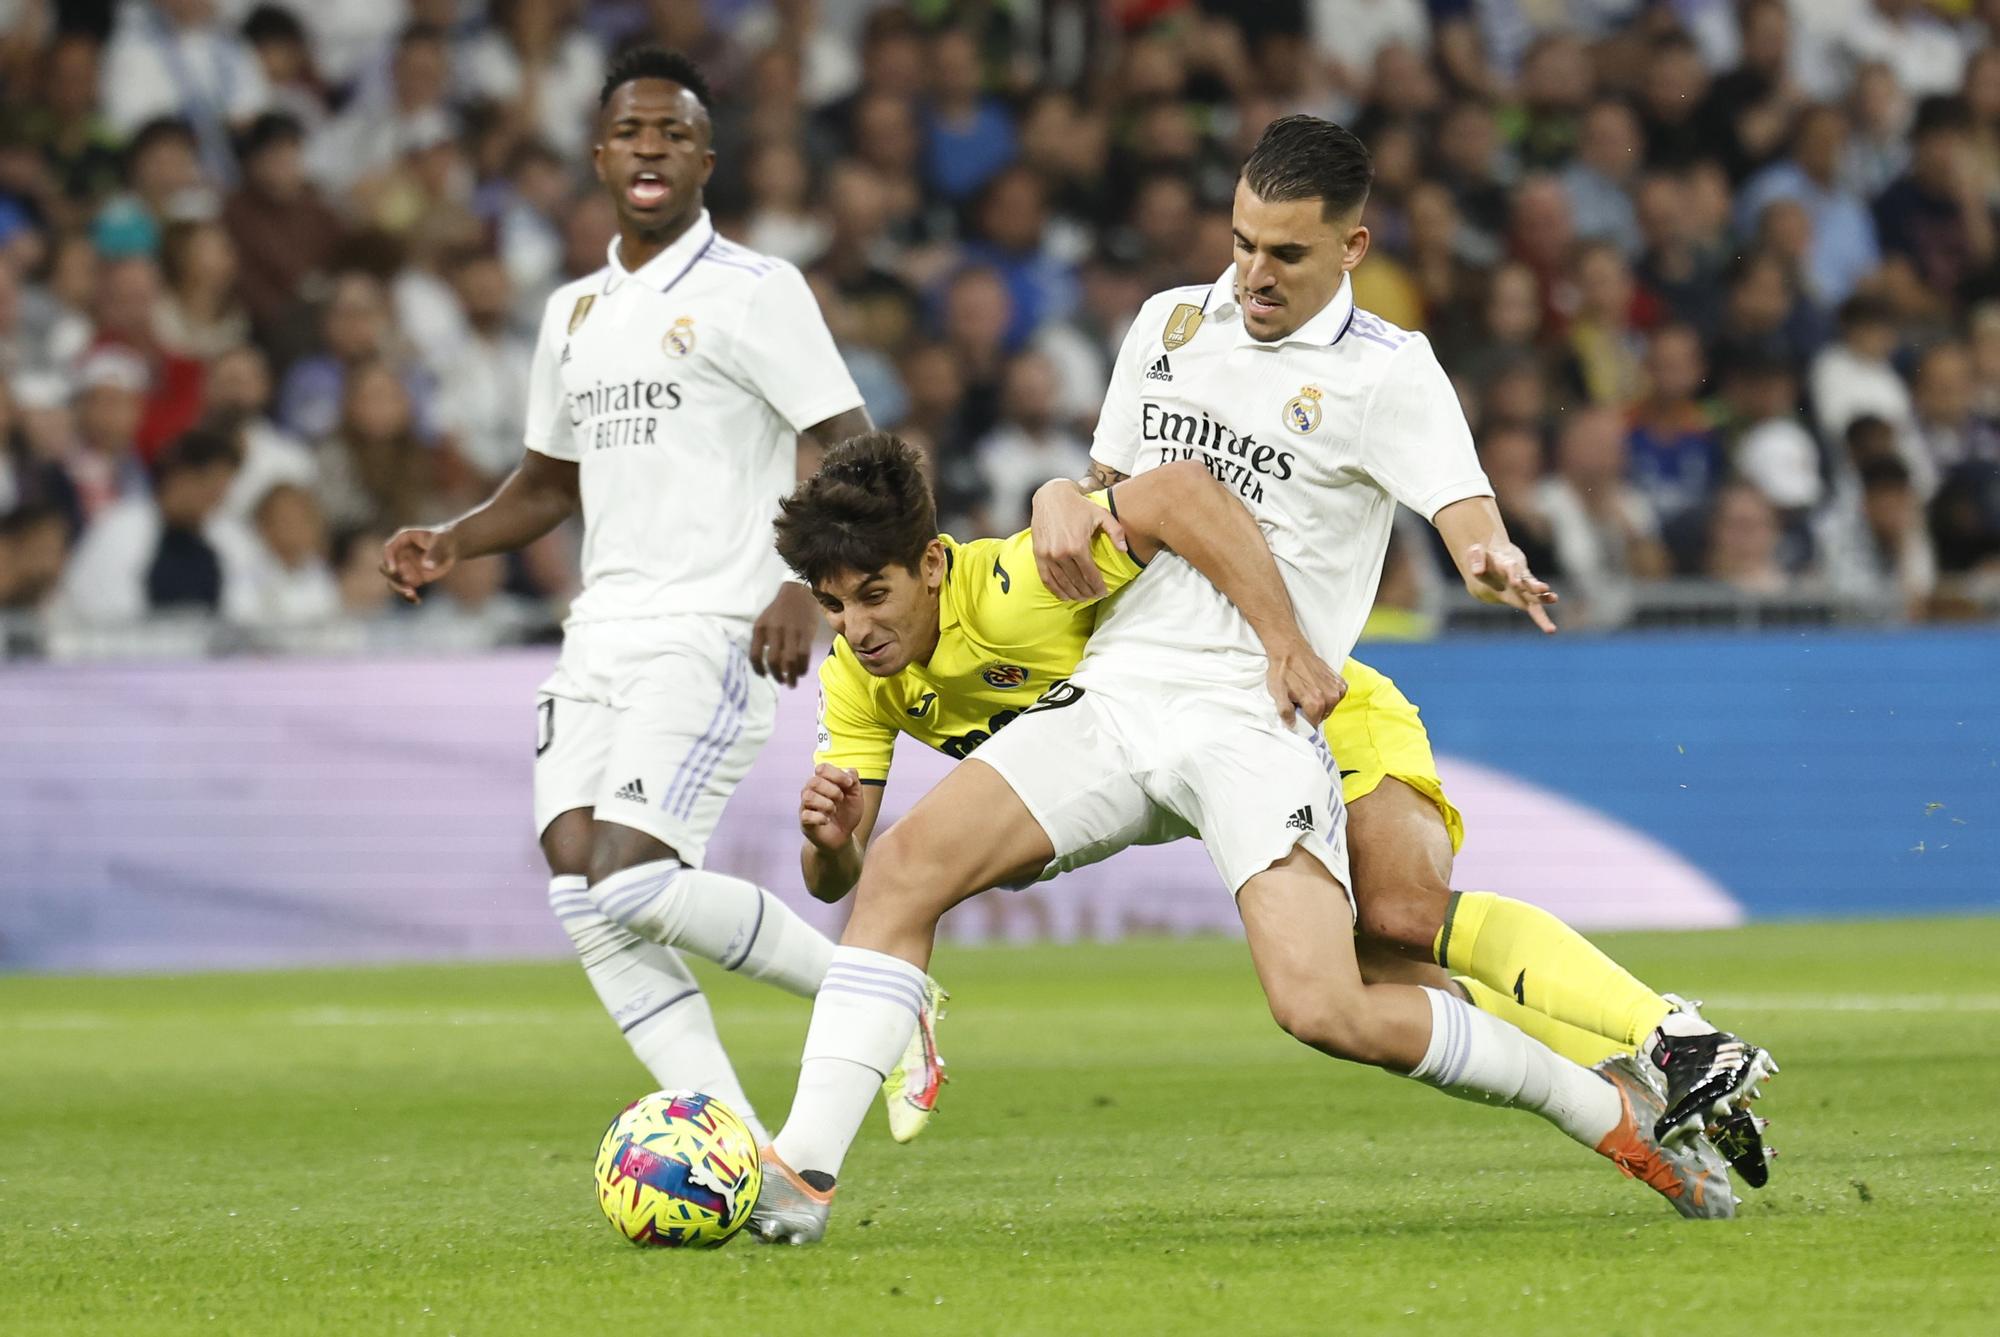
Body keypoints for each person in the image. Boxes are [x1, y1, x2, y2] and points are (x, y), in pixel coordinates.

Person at [750, 117, 1773, 1244]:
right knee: (898, 872)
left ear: (1351, 246)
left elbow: (1455, 503)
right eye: (1240, 243)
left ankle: (1610, 1106)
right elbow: (1124, 489)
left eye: (1283, 253)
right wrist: (1061, 490)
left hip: (1263, 709)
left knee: (1331, 997)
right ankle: (802, 1174)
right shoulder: (1168, 324)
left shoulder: (1390, 371)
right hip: (1121, 687)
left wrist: (1483, 553)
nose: (1252, 274)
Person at [378, 48, 942, 1147]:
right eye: (631, 131)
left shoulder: (755, 290)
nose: (649, 147)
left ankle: (888, 998)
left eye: (672, 133)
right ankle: (736, 1143)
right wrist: (454, 539)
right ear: (599, 157)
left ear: (704, 159)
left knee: (632, 882)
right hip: (601, 631)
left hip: (714, 624)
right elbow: (547, 483)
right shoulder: (574, 313)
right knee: (580, 889)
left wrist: (798, 581)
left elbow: (847, 444)